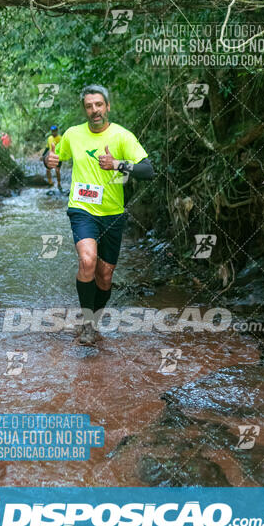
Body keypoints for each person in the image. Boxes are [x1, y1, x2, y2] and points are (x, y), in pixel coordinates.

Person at [44, 84, 154, 346]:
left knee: (105, 276)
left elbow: (148, 170)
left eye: (99, 105)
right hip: (82, 209)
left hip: (113, 213)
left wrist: (117, 164)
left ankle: (93, 321)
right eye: (89, 106)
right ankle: (88, 323)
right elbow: (57, 158)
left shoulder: (122, 136)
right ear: (85, 109)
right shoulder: (72, 134)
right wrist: (50, 162)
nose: (94, 110)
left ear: (107, 106)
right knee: (87, 260)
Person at [42, 125, 62, 192]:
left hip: (58, 156)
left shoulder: (60, 138)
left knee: (57, 170)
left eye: (55, 131)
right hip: (50, 156)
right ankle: (50, 182)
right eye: (52, 131)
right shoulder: (49, 138)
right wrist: (43, 155)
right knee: (48, 170)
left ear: (57, 131)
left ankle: (59, 183)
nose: (53, 133)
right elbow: (47, 147)